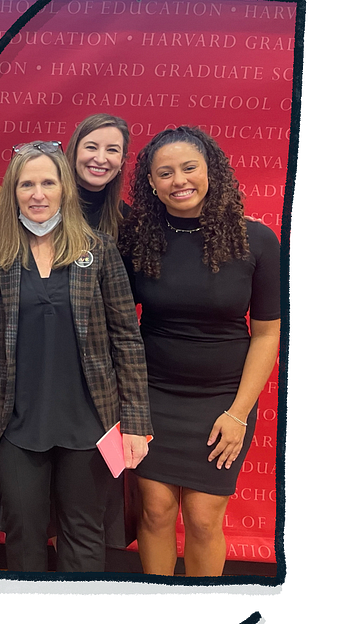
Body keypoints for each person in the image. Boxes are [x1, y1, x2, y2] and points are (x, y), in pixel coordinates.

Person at [0, 142, 152, 572]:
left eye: (47, 182)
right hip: (18, 425)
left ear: (64, 189)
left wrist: (137, 423)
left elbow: (128, 339)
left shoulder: (100, 252)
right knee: (24, 534)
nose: (37, 194)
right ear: (13, 192)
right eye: (26, 184)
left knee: (84, 534)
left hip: (90, 424)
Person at [120, 126, 280, 577]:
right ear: (151, 183)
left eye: (189, 168)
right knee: (153, 512)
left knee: (205, 520)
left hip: (222, 403)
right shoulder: (139, 239)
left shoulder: (257, 240)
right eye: (165, 172)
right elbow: (112, 317)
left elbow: (267, 334)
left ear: (211, 171)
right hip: (151, 396)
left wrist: (239, 413)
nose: (179, 180)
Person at [67, 113, 137, 553]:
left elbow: (126, 320)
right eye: (92, 146)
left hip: (100, 380)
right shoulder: (40, 205)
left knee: (90, 498)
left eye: (113, 150)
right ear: (73, 149)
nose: (100, 158)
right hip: (42, 372)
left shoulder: (126, 222)